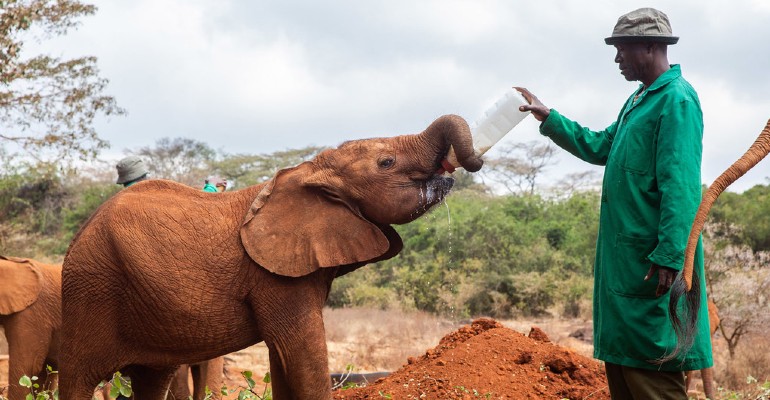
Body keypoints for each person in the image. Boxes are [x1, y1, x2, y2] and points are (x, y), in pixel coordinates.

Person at [516, 8, 712, 399]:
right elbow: (602, 145)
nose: (617, 59)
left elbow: (682, 187)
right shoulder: (640, 98)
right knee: (625, 370)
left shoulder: (677, 100)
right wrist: (549, 117)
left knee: (655, 371)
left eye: (623, 49)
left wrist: (671, 256)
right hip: (626, 267)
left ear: (651, 47)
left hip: (654, 267)